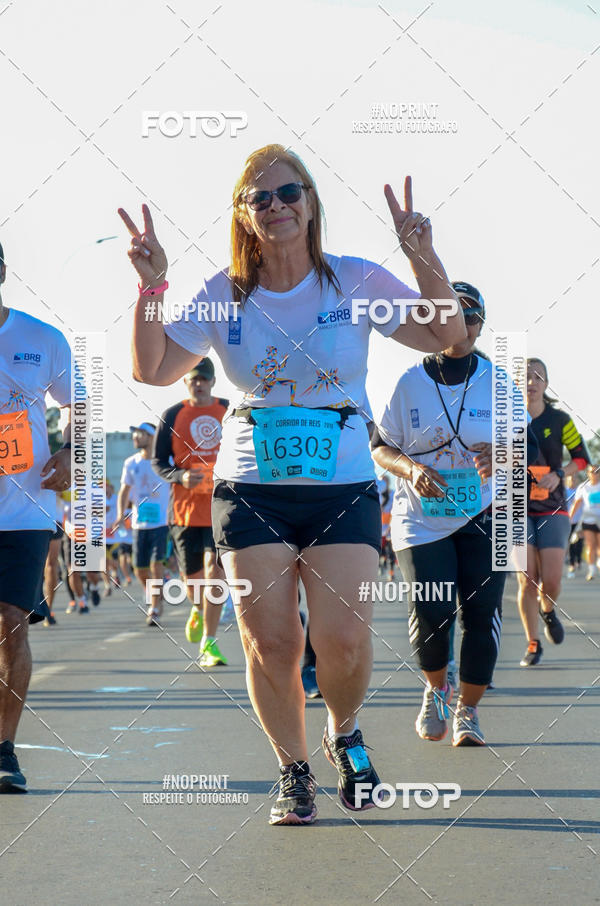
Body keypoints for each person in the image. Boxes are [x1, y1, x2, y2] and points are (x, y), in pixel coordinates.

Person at [119, 143, 465, 824]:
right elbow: (153, 368)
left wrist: (421, 253)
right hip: (250, 488)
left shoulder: (356, 280)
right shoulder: (225, 293)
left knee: (344, 640)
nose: (276, 206)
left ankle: (344, 731)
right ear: (245, 216)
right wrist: (151, 289)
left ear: (311, 205)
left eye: (289, 194)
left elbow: (446, 334)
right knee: (271, 641)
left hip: (342, 485)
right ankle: (293, 770)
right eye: (261, 198)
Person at [372, 282, 506, 747]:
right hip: (421, 516)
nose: (463, 324)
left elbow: (524, 446)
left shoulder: (498, 381)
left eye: (472, 315)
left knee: (481, 612)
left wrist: (502, 454)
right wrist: (410, 469)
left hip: (488, 512)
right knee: (432, 609)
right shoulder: (410, 381)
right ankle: (436, 689)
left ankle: (467, 711)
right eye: (453, 313)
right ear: (435, 320)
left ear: (481, 324)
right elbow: (381, 448)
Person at [0, 240, 72, 792]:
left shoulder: (41, 338)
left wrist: (73, 452)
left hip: (24, 510)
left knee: (10, 626)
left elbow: (85, 403)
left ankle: (5, 749)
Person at [152, 360, 229, 666]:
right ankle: (199, 608)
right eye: (194, 379)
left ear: (212, 382)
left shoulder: (229, 410)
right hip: (184, 511)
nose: (199, 384)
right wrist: (180, 476)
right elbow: (159, 462)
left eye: (205, 380)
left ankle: (209, 643)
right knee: (193, 580)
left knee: (215, 571)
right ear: (186, 381)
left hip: (221, 507)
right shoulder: (173, 415)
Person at [518, 359, 590, 666]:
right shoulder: (504, 419)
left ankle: (548, 609)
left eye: (538, 377)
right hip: (515, 509)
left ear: (546, 384)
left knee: (552, 578)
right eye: (525, 377)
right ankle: (533, 644)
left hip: (553, 507)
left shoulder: (560, 420)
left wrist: (559, 474)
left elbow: (583, 460)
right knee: (526, 579)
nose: (531, 382)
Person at [114, 424, 170, 626]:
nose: (136, 436)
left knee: (156, 565)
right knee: (139, 569)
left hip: (162, 522)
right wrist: (121, 514)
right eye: (135, 433)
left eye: (142, 433)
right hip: (139, 524)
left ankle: (154, 606)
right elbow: (124, 491)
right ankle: (156, 593)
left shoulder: (165, 461)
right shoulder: (131, 463)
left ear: (153, 437)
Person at [570, 463, 600, 580]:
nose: (594, 474)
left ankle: (598, 562)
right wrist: (569, 518)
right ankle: (591, 571)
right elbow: (576, 503)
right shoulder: (583, 487)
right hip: (588, 520)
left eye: (597, 472)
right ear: (588, 473)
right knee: (591, 545)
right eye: (592, 472)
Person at [565, 474, 584, 577]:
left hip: (580, 520)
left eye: (574, 479)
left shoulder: (580, 490)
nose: (573, 481)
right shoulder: (565, 491)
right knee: (571, 542)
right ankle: (572, 563)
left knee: (579, 542)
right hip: (568, 520)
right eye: (571, 479)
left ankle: (579, 559)